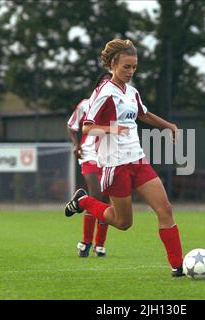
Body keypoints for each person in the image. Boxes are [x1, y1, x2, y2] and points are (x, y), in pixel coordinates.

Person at [65, 39, 185, 277]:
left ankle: (178, 266)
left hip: (137, 160)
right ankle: (84, 202)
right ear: (112, 65)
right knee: (123, 223)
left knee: (165, 209)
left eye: (134, 67)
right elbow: (87, 128)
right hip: (114, 164)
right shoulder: (103, 93)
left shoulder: (131, 92)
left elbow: (144, 114)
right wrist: (111, 129)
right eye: (126, 67)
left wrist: (168, 126)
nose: (130, 72)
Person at [66, 72, 112, 257]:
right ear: (97, 85)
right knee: (96, 195)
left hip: (109, 156)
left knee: (105, 201)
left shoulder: (117, 106)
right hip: (89, 154)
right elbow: (72, 126)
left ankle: (99, 245)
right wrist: (76, 144)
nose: (106, 86)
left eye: (110, 83)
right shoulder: (86, 104)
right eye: (103, 82)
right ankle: (86, 242)